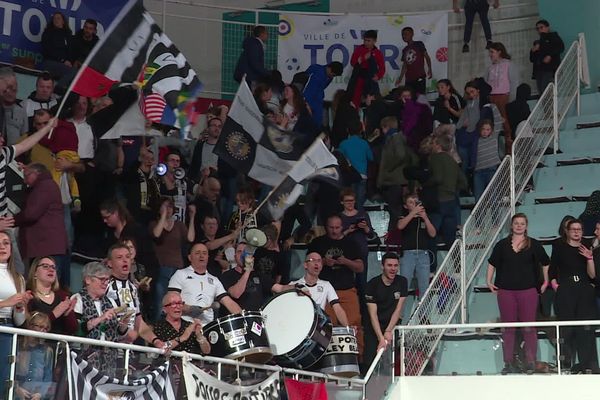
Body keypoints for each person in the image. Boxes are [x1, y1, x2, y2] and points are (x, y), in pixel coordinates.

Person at [487, 213, 550, 374]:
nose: (519, 226)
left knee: (529, 328)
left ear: (526, 226)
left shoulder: (533, 244)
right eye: (516, 223)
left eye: (522, 223)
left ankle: (530, 362)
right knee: (508, 328)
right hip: (506, 291)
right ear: (511, 225)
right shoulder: (502, 245)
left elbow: (546, 262)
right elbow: (492, 263)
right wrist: (488, 281)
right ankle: (508, 362)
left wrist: (546, 281)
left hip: (528, 291)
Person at [307, 215, 364, 356]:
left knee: (354, 324)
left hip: (346, 289)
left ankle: (357, 358)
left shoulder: (351, 243)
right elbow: (308, 263)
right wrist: (324, 262)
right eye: (331, 227)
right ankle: (329, 357)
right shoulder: (318, 242)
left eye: (337, 228)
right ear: (326, 227)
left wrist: (345, 262)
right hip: (325, 291)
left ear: (342, 227)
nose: (334, 230)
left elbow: (360, 267)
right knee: (327, 326)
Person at [549, 219, 598, 373]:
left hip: (584, 290)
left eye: (579, 229)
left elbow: (592, 275)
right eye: (573, 229)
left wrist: (589, 258)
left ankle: (586, 365)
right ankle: (566, 364)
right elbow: (552, 268)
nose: (577, 232)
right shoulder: (559, 246)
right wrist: (555, 284)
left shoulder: (587, 246)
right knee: (567, 329)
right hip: (566, 290)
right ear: (567, 231)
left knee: (585, 329)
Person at [71, 262, 130, 375]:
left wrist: (123, 325)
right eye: (102, 279)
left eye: (107, 280)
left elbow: (117, 333)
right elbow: (77, 330)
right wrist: (101, 318)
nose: (105, 284)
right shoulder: (78, 299)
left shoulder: (110, 302)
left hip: (109, 360)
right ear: (88, 280)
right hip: (86, 359)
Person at [15, 163, 69, 282]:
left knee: (45, 284)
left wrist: (12, 220)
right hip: (46, 246)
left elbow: (31, 213)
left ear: (36, 173)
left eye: (26, 176)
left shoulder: (44, 187)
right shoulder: (46, 186)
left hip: (46, 246)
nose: (25, 181)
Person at [168, 242, 241, 325]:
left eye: (204, 253)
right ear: (190, 257)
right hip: (184, 324)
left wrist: (244, 317)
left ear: (208, 257)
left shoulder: (214, 280)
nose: (201, 256)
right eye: (197, 253)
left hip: (207, 328)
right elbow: (171, 301)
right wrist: (190, 309)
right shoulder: (180, 274)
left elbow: (229, 302)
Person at [272, 252, 349, 326]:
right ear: (305, 265)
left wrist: (348, 327)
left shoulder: (326, 285)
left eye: (319, 261)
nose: (317, 263)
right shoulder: (293, 285)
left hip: (317, 327)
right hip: (297, 324)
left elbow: (337, 308)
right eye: (313, 260)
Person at [150, 197, 195, 320]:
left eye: (169, 206)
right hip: (162, 267)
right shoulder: (154, 224)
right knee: (161, 302)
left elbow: (190, 238)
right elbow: (156, 234)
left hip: (178, 268)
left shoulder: (179, 225)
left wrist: (192, 218)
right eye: (164, 206)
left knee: (176, 302)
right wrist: (163, 216)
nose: (168, 209)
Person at [0, 230, 32, 395]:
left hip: (8, 331)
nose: (2, 246)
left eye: (6, 243)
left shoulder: (18, 278)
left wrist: (20, 308)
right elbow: (7, 303)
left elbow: (19, 321)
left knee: (5, 379)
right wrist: (6, 302)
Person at [363, 252, 408, 369]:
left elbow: (398, 309)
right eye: (389, 265)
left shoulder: (402, 281)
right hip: (374, 327)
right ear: (382, 266)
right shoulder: (372, 285)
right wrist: (380, 338)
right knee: (370, 361)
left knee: (390, 363)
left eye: (395, 266)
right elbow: (373, 315)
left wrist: (388, 331)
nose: (393, 269)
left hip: (391, 326)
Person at [426, 135, 467, 247]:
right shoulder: (452, 160)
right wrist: (453, 189)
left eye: (433, 143)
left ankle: (432, 262)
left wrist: (426, 184)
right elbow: (464, 182)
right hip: (452, 201)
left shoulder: (435, 158)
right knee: (450, 237)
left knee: (431, 232)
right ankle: (457, 262)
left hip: (439, 200)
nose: (432, 146)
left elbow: (438, 178)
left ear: (438, 145)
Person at [377, 116, 416, 231]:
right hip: (395, 181)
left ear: (386, 127)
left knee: (395, 211)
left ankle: (394, 237)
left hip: (395, 181)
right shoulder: (396, 138)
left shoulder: (395, 138)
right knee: (395, 210)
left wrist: (389, 168)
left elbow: (400, 155)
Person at [397, 194, 436, 300]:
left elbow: (433, 234)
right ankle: (400, 315)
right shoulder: (403, 217)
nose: (414, 203)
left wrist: (425, 217)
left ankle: (424, 315)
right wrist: (413, 212)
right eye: (411, 202)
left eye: (416, 201)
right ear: (406, 206)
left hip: (423, 254)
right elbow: (400, 226)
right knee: (404, 284)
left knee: (424, 286)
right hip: (408, 254)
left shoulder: (423, 218)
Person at [26, 256, 77, 336]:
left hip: (57, 345)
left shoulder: (63, 296)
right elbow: (27, 326)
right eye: (45, 266)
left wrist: (68, 314)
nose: (51, 270)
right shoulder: (28, 296)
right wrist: (54, 314)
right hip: (34, 345)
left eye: (53, 267)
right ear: (35, 272)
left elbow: (72, 330)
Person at [221, 242, 275, 312]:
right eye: (240, 252)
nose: (243, 255)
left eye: (246, 252)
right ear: (235, 256)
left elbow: (279, 288)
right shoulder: (227, 275)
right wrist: (248, 270)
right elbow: (236, 294)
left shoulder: (258, 275)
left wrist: (293, 287)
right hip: (238, 317)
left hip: (257, 317)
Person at [486, 42, 519, 153]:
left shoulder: (508, 64)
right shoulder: (490, 67)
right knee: (494, 124)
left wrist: (511, 98)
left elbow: (514, 82)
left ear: (499, 52)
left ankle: (509, 150)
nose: (490, 54)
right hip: (492, 97)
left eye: (492, 52)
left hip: (504, 96)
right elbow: (486, 83)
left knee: (506, 124)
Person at [15, 313, 55, 400]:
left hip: (36, 394)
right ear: (30, 326)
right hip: (17, 394)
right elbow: (9, 372)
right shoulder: (16, 345)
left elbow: (48, 377)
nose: (43, 331)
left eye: (46, 328)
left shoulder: (47, 351)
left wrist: (40, 394)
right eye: (40, 327)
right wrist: (16, 388)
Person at [347, 30, 385, 108]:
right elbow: (353, 62)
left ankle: (370, 118)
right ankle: (354, 117)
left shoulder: (377, 53)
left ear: (374, 41)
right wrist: (363, 58)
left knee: (372, 101)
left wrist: (378, 76)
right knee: (355, 100)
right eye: (365, 40)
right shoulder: (359, 49)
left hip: (371, 79)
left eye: (369, 41)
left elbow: (382, 67)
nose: (366, 43)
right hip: (360, 77)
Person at [302, 62, 344, 126]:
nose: (332, 77)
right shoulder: (315, 72)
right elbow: (306, 88)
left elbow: (322, 87)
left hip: (317, 102)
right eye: (333, 74)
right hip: (309, 101)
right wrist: (306, 103)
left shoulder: (328, 77)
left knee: (316, 125)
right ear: (329, 69)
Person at [530, 20, 564, 94]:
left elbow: (560, 47)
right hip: (539, 70)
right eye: (537, 29)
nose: (539, 30)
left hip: (549, 69)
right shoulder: (538, 42)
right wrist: (533, 51)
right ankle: (546, 105)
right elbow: (532, 59)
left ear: (547, 27)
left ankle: (552, 105)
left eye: (541, 27)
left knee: (547, 91)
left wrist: (549, 55)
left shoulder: (553, 36)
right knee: (541, 92)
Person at [397, 27, 432, 94]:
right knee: (409, 98)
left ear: (412, 34)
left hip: (419, 77)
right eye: (403, 34)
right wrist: (400, 78)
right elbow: (405, 65)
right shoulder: (404, 50)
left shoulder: (419, 44)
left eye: (406, 34)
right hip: (409, 79)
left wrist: (430, 69)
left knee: (420, 99)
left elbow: (427, 57)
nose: (404, 36)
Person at [473, 119, 501, 202]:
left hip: (491, 170)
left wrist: (491, 105)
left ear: (491, 131)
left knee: (493, 196)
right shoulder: (476, 140)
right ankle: (479, 215)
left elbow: (498, 121)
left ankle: (495, 215)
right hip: (478, 171)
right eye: (483, 129)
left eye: (488, 129)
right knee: (478, 198)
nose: (485, 131)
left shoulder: (494, 137)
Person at [40, 12, 73, 81]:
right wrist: (63, 60)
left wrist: (70, 62)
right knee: (69, 72)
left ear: (63, 21)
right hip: (50, 62)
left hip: (65, 64)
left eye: (58, 18)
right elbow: (48, 50)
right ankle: (59, 90)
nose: (56, 20)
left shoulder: (68, 34)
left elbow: (71, 51)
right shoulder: (48, 33)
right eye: (54, 18)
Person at [189, 117, 222, 183]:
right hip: (200, 182)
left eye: (219, 126)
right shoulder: (199, 146)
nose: (217, 128)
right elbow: (194, 166)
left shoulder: (223, 148)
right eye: (214, 125)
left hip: (218, 182)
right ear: (208, 128)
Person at [0, 67, 28, 146]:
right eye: (9, 87)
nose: (13, 89)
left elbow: (24, 136)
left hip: (14, 155)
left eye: (15, 87)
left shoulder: (21, 110)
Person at [158, 150, 188, 222]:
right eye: (172, 160)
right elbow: (171, 191)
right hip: (164, 222)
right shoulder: (159, 182)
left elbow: (198, 191)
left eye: (178, 161)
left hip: (180, 222)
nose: (175, 163)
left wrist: (204, 177)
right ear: (165, 163)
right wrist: (163, 174)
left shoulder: (184, 182)